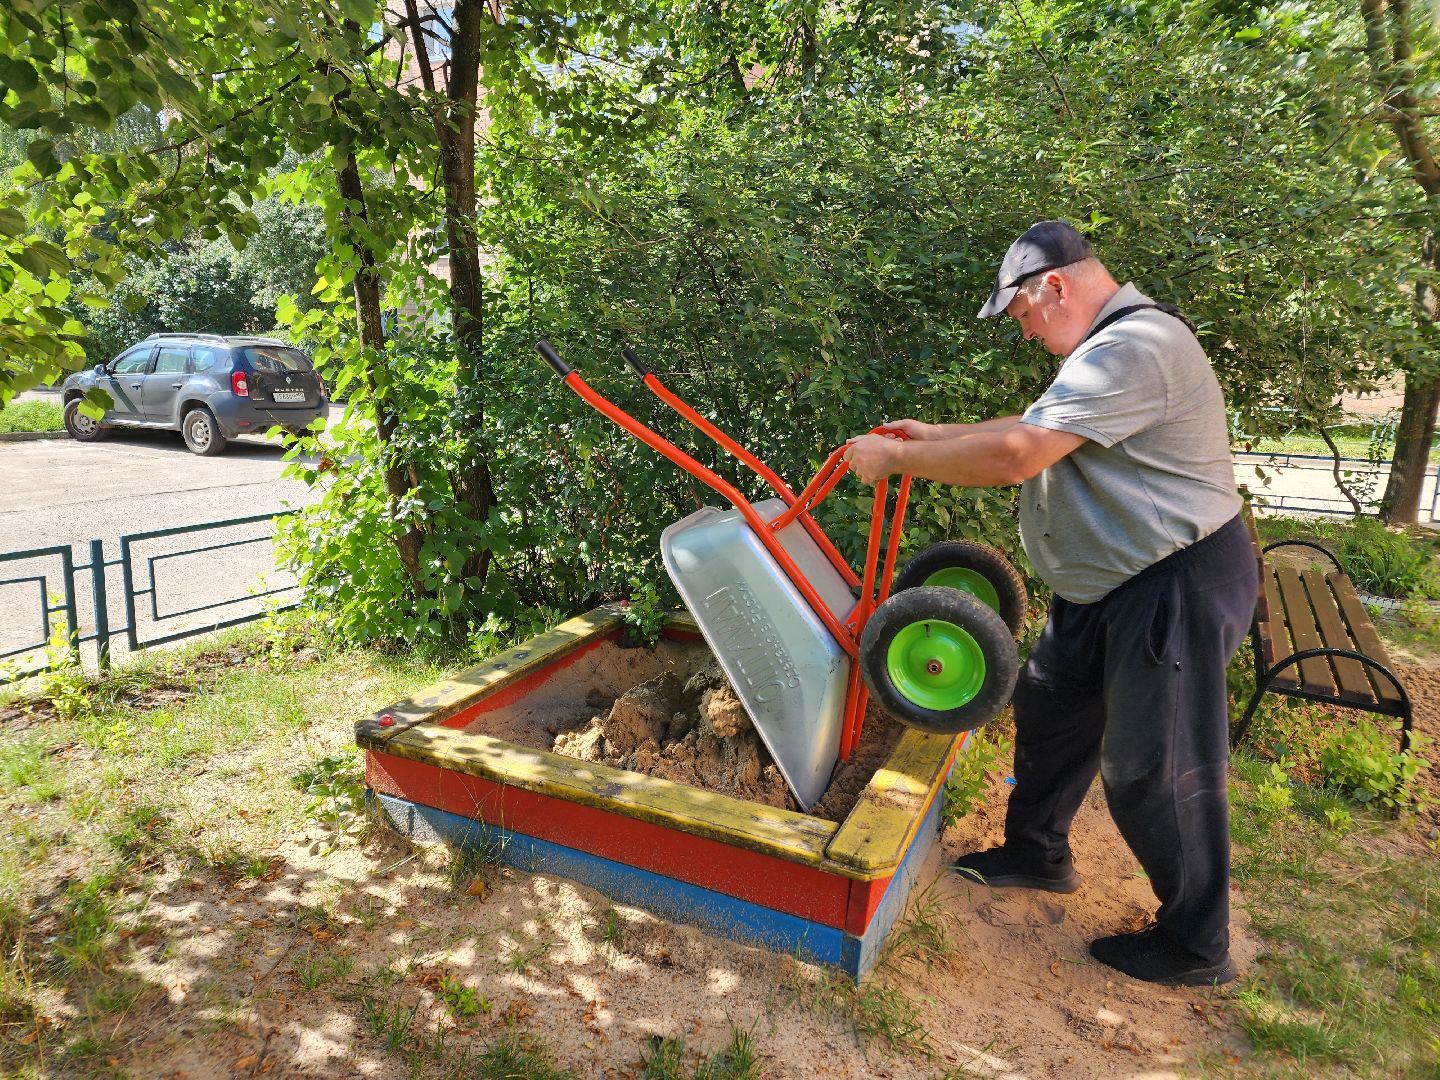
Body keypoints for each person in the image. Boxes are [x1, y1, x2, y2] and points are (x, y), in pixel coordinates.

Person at [843, 220, 1257, 986]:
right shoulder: (1107, 349)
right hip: (1107, 583)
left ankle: (1196, 943)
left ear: (1055, 286)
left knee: (1151, 767)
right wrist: (938, 434)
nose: (1026, 331)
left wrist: (900, 459)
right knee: (1048, 704)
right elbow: (1034, 427)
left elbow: (1017, 456)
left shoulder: (1136, 347)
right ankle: (1037, 853)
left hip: (1171, 582)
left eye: (1024, 316)